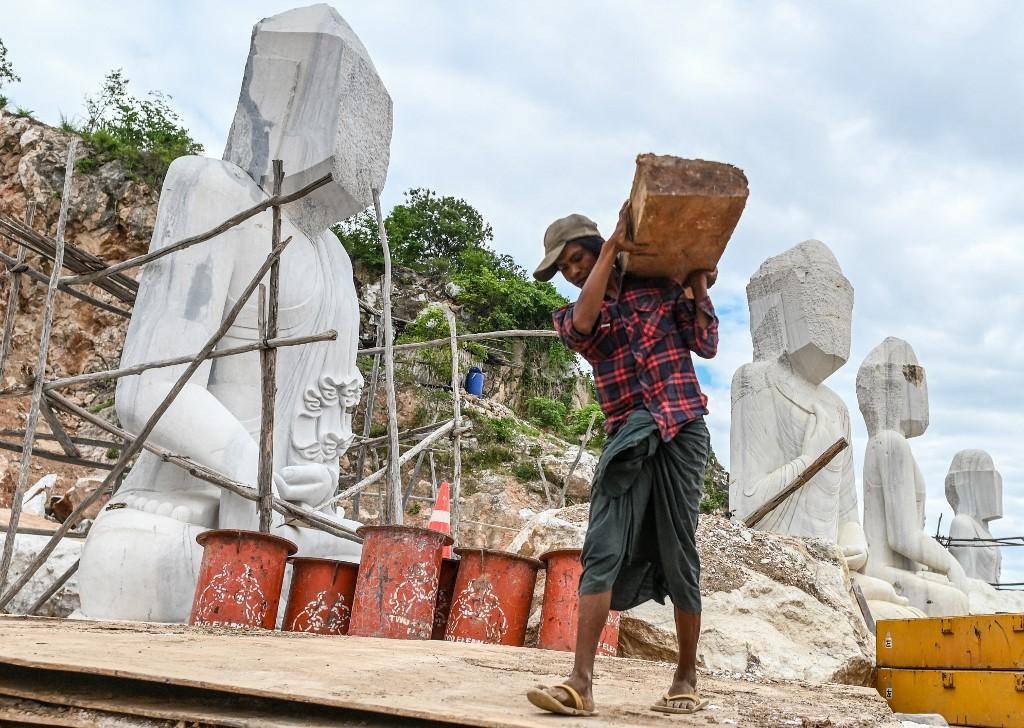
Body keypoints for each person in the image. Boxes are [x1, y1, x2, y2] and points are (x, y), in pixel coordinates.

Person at [526, 203, 718, 716]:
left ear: (588, 250)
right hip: (628, 435)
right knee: (602, 543)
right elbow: (586, 323)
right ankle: (580, 683)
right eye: (564, 268)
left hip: (682, 428)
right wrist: (612, 246)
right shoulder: (572, 316)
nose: (571, 272)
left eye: (574, 259)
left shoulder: (656, 289)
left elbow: (707, 343)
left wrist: (697, 286)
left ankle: (685, 677)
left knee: (680, 548)